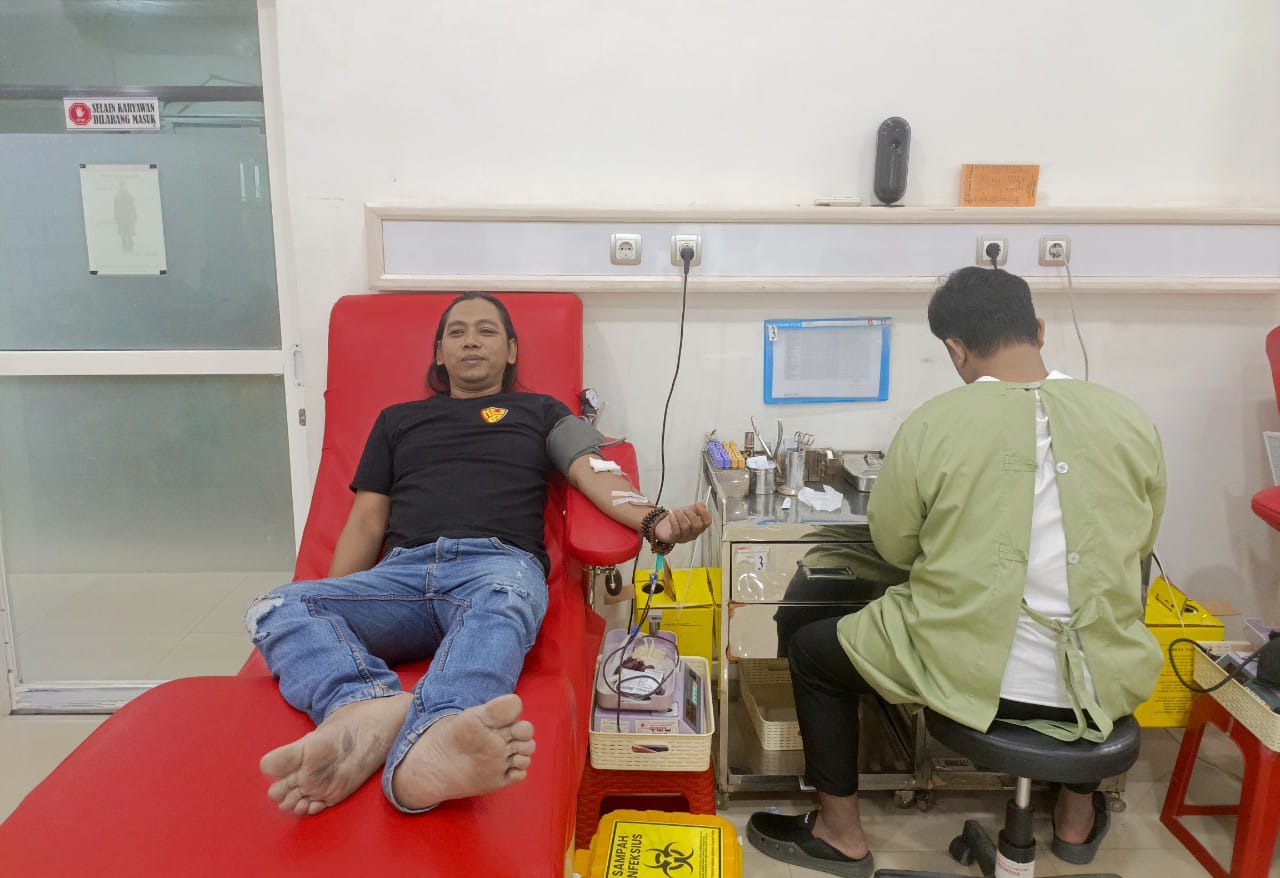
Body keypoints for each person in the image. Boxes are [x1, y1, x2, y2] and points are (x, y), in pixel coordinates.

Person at [748, 267, 1166, 877]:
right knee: (1099, 636)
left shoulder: (934, 423)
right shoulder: (1130, 420)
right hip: (1104, 679)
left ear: (955, 349)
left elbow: (895, 545)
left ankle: (840, 834)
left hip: (969, 677)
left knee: (814, 651)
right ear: (1039, 330)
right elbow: (1138, 549)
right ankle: (1075, 820)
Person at [246, 291, 711, 817]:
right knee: (277, 606)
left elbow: (595, 472)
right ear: (439, 353)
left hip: (496, 567)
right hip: (401, 575)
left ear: (511, 351)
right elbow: (367, 520)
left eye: (487, 331)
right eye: (457, 331)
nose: (471, 340)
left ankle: (435, 739)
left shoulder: (542, 412)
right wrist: (335, 599)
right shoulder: (397, 420)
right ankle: (361, 708)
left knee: (503, 603)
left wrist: (655, 520)